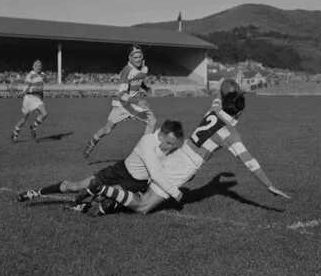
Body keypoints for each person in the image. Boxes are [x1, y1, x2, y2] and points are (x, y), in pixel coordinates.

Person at [89, 79, 290, 215]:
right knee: (143, 206)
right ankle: (105, 191)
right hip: (185, 165)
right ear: (239, 112)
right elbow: (250, 162)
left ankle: (110, 199)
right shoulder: (230, 134)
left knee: (148, 186)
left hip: (176, 152)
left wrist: (229, 89)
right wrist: (269, 185)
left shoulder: (214, 110)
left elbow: (219, 96)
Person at [16, 119, 185, 214]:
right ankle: (37, 192)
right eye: (169, 143)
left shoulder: (170, 145)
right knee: (75, 186)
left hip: (136, 183)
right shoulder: (148, 142)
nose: (170, 148)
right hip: (120, 171)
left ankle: (84, 205)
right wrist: (175, 193)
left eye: (174, 145)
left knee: (101, 197)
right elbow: (155, 173)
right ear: (161, 135)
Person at [83, 45, 156, 158]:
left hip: (133, 103)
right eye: (135, 57)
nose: (138, 59)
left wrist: (146, 88)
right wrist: (137, 102)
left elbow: (138, 79)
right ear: (130, 58)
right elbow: (121, 94)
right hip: (122, 104)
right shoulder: (126, 71)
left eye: (140, 56)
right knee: (106, 130)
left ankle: (143, 153)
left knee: (152, 121)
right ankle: (91, 144)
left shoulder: (144, 68)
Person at [11, 60, 47, 142]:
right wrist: (27, 91)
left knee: (44, 113)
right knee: (23, 119)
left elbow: (41, 86)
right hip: (29, 98)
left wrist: (41, 95)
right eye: (37, 65)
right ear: (33, 67)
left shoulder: (42, 75)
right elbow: (26, 88)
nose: (38, 67)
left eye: (40, 65)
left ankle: (33, 126)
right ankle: (15, 134)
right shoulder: (30, 75)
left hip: (37, 98)